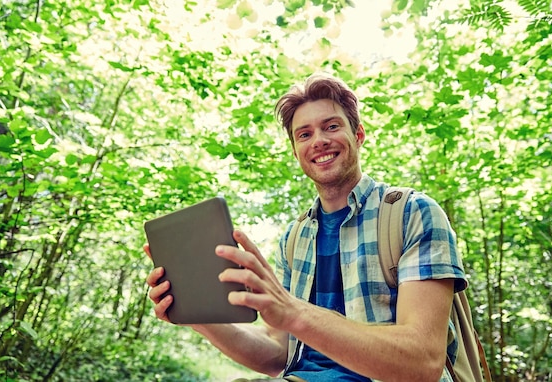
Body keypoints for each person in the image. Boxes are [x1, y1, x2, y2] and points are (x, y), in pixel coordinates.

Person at [145, 73, 467, 382]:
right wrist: (195, 318)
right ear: (296, 151)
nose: (319, 141)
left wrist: (293, 311)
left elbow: (423, 361)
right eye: (304, 134)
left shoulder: (412, 214)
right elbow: (276, 355)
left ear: (358, 135)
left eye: (331, 126)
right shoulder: (294, 240)